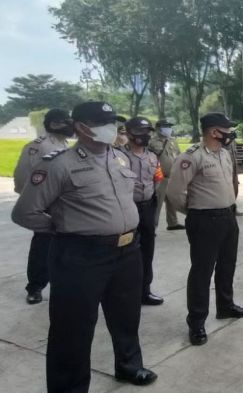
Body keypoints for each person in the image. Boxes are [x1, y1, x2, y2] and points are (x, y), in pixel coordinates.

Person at [12, 101, 157, 392]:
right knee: (73, 327)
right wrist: (62, 227)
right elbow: (24, 212)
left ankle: (129, 365)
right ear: (81, 127)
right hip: (81, 255)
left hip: (127, 251)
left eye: (112, 122)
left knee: (127, 315)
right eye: (102, 123)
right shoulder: (59, 163)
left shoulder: (119, 158)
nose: (111, 129)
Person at [167, 112, 243, 346]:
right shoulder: (191, 156)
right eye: (227, 129)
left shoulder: (224, 154)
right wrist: (195, 212)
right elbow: (174, 194)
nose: (230, 134)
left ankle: (225, 306)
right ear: (215, 132)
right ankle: (196, 322)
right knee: (202, 273)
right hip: (204, 220)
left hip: (227, 217)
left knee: (227, 266)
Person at [13, 109, 73, 305]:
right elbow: (23, 178)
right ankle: (35, 287)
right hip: (46, 207)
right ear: (54, 124)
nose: (71, 125)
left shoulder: (65, 144)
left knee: (66, 250)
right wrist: (37, 203)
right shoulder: (38, 147)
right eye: (67, 122)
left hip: (66, 206)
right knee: (43, 248)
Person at [120, 117, 165, 306]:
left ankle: (144, 291)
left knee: (147, 251)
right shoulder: (117, 156)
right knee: (125, 253)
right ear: (129, 133)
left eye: (147, 132)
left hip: (147, 207)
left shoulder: (152, 156)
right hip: (125, 209)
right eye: (140, 131)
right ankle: (125, 294)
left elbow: (158, 179)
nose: (145, 136)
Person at [149, 119, 185, 230]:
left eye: (169, 126)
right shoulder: (152, 142)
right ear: (158, 128)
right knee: (157, 204)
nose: (169, 128)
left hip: (172, 176)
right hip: (160, 177)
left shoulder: (172, 141)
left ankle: (173, 223)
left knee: (172, 202)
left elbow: (178, 156)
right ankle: (152, 227)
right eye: (166, 126)